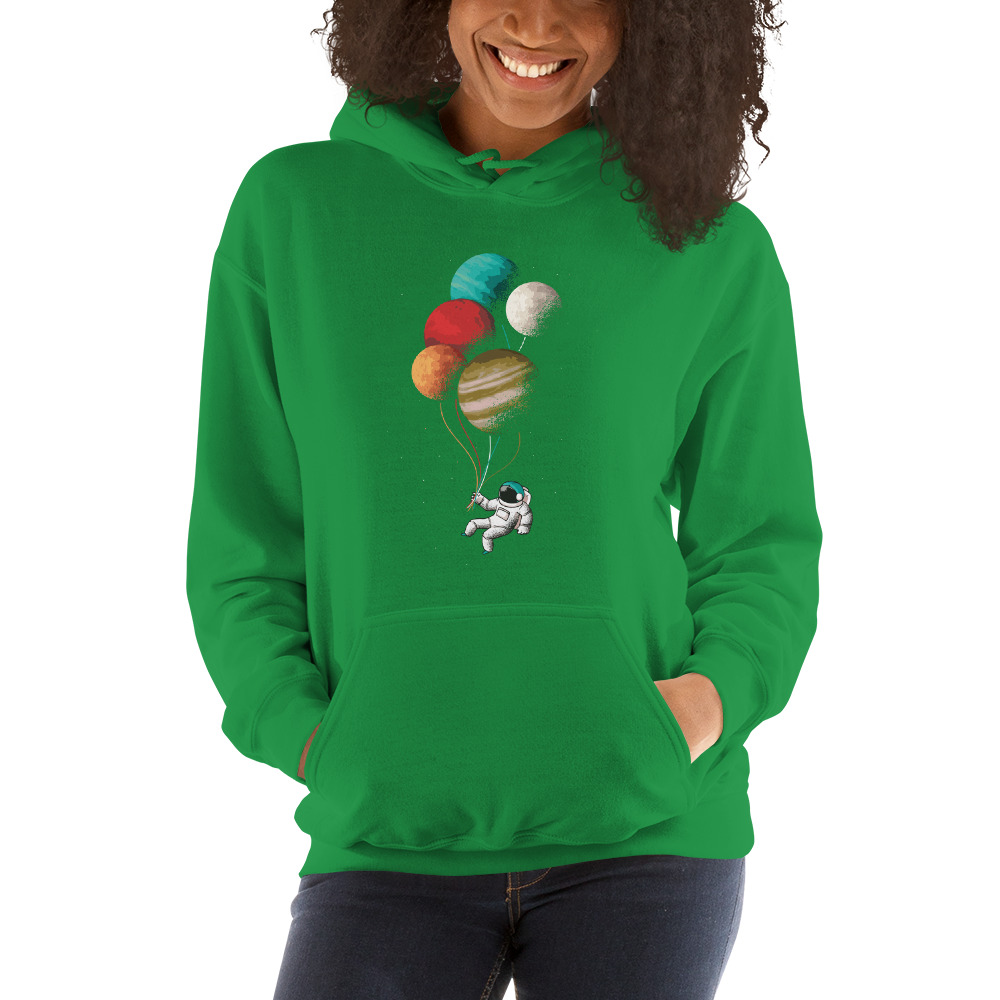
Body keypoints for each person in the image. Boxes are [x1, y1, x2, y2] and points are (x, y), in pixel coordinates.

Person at [185, 1, 821, 997]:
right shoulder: (294, 211)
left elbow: (758, 540)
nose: (537, 20)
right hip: (384, 831)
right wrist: (310, 735)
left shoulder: (707, 243)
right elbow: (246, 531)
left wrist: (703, 706)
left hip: (649, 837)